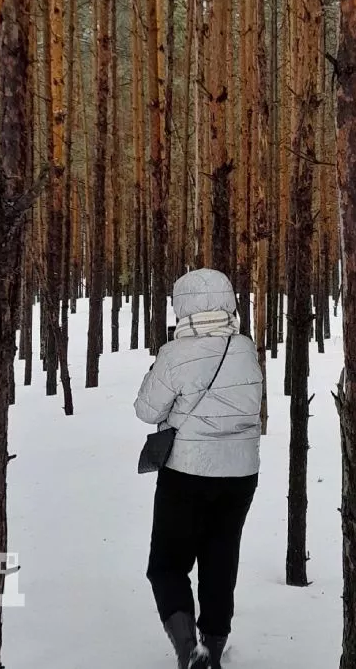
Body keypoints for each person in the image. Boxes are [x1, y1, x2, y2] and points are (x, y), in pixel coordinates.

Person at [134, 269, 264, 669]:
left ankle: (188, 648)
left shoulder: (174, 353)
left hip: (187, 473)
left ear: (182, 305)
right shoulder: (246, 347)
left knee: (167, 564)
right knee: (220, 560)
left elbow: (146, 411)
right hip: (241, 473)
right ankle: (214, 650)